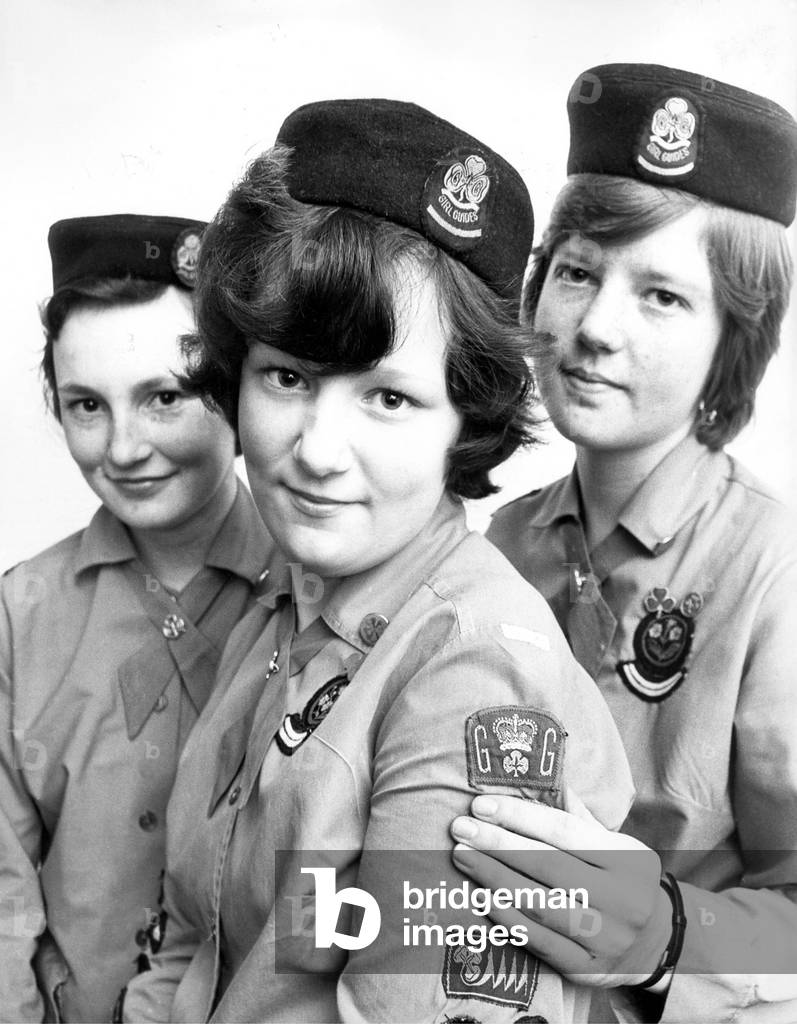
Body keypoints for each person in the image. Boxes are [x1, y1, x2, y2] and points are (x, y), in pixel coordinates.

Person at [120, 99, 636, 1024]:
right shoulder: (289, 607)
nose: (318, 449)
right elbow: (199, 947)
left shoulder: (471, 673)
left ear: (463, 425)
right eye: (288, 376)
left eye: (388, 398)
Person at [449, 63, 797, 1023]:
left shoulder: (774, 571)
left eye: (662, 296)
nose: (594, 328)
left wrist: (661, 939)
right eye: (577, 273)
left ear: (736, 335)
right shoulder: (501, 541)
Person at [0, 214, 273, 1022]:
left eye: (163, 398)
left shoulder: (317, 598)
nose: (123, 448)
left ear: (234, 389)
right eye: (87, 406)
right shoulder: (20, 616)